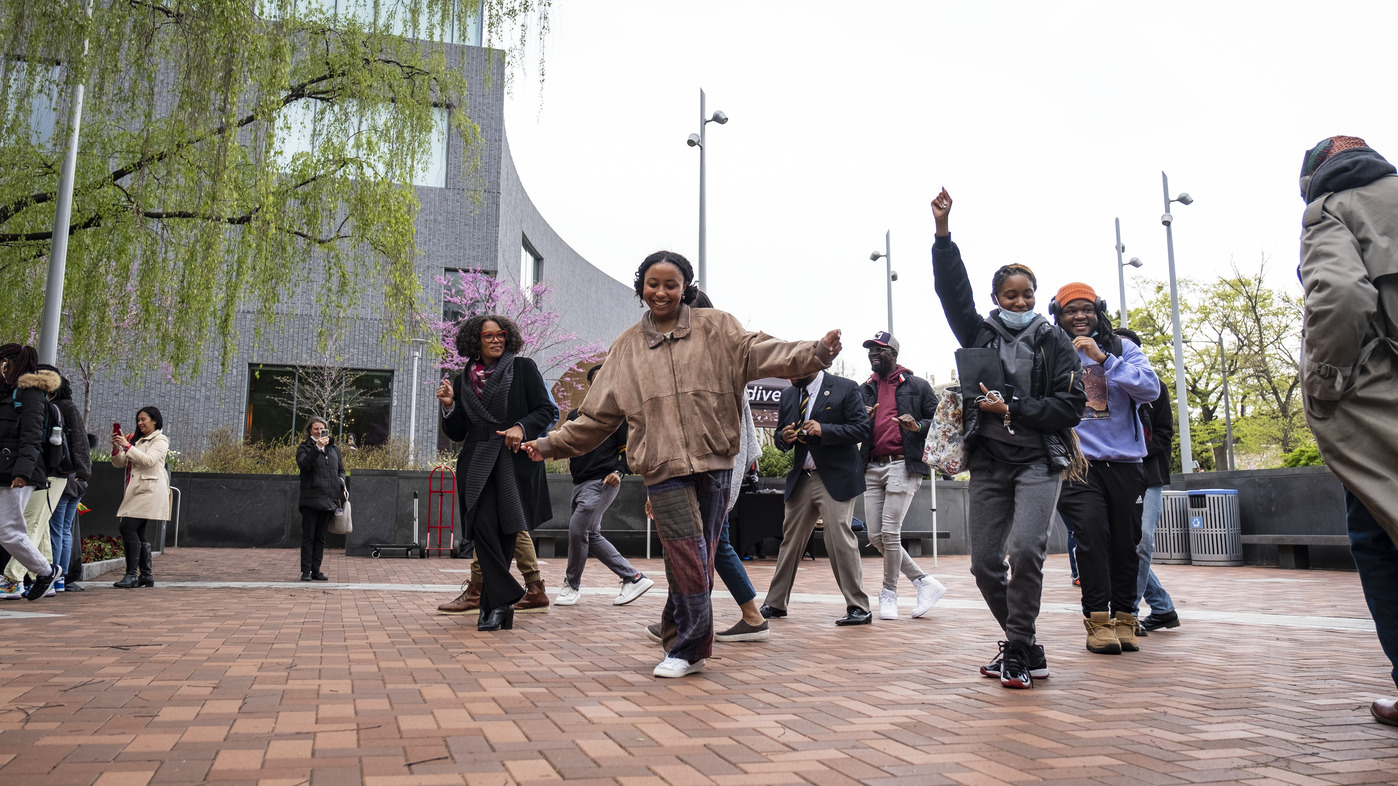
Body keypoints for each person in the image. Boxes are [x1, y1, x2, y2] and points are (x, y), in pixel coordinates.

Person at [523, 250, 840, 678]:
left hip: (715, 461)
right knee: (690, 554)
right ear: (641, 288)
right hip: (661, 465)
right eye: (653, 284)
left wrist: (815, 352)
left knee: (697, 556)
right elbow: (596, 418)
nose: (661, 292)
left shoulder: (718, 328)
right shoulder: (626, 348)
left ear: (684, 288)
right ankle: (690, 650)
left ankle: (677, 631)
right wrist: (548, 446)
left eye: (671, 284)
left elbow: (765, 353)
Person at [930, 188, 1087, 688]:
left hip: (1039, 461)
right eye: (1009, 295)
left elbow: (1072, 406)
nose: (1019, 302)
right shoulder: (979, 334)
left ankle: (1017, 650)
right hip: (990, 463)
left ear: (1035, 298)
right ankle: (1025, 644)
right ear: (997, 298)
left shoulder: (1054, 339)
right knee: (982, 565)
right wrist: (942, 235)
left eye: (1026, 295)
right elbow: (952, 292)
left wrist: (1014, 406)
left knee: (1024, 551)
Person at [1296, 135, 1398, 726]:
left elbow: (1339, 295)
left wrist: (1328, 379)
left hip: (1381, 405)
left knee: (1378, 537)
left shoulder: (1331, 208)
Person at [1050, 283, 1159, 655]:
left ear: (1098, 311)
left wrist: (1104, 360)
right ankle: (1097, 622)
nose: (1079, 316)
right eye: (1070, 311)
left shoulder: (1121, 349)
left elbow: (1151, 390)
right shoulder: (1050, 350)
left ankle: (1126, 617)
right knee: (1092, 539)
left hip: (1125, 463)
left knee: (1126, 545)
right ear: (1058, 316)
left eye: (1086, 309)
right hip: (1078, 466)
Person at [435, 314, 557, 632]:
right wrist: (449, 407)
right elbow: (459, 431)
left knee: (503, 535)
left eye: (501, 334)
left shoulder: (523, 368)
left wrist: (520, 426)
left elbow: (548, 410)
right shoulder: (462, 380)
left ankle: (495, 607)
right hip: (476, 461)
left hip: (513, 460)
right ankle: (506, 598)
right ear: (475, 341)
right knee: (485, 528)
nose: (495, 339)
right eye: (488, 336)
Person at [760, 367, 873, 626]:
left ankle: (858, 607)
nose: (789, 375)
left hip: (835, 477)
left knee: (839, 540)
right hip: (802, 477)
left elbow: (861, 430)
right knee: (790, 541)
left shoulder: (845, 387)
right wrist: (784, 438)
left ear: (813, 365)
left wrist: (825, 429)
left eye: (795, 368)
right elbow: (779, 437)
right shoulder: (789, 394)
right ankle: (776, 603)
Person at [857, 331, 947, 621]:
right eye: (870, 349)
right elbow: (853, 427)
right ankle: (924, 581)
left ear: (893, 354)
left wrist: (917, 427)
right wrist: (863, 421)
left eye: (879, 350)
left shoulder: (917, 385)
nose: (873, 354)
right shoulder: (865, 389)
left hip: (903, 464)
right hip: (871, 466)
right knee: (875, 535)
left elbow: (939, 422)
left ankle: (889, 594)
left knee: (890, 532)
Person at [555, 363, 654, 607]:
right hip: (579, 482)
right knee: (590, 533)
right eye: (597, 380)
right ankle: (634, 577)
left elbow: (629, 451)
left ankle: (571, 585)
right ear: (590, 384)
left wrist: (619, 472)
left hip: (603, 481)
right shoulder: (575, 416)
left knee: (578, 530)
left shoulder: (619, 417)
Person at [1113, 327, 1180, 634]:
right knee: (1126, 545)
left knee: (1143, 542)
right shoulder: (1104, 385)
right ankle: (1163, 608)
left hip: (1148, 475)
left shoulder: (1156, 389)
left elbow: (1165, 434)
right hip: (1114, 474)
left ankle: (1128, 612)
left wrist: (1134, 449)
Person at [0, 344, 62, 601]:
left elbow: (32, 437)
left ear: (10, 363)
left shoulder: (32, 394)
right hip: (4, 469)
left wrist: (23, 473)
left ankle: (46, 572)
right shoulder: (6, 391)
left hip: (17, 473)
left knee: (8, 531)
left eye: (3, 362)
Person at [111, 406, 170, 589]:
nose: (140, 423)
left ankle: (131, 575)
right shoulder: (138, 441)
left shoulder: (160, 439)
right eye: (138, 419)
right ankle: (145, 575)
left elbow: (148, 461)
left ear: (155, 421)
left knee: (127, 527)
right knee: (138, 531)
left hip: (148, 490)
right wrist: (116, 447)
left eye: (144, 419)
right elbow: (120, 463)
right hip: (137, 490)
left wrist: (127, 445)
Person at [46, 372, 91, 593]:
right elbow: (82, 441)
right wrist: (84, 471)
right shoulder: (70, 407)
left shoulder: (58, 408)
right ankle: (62, 577)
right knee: (64, 529)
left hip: (64, 477)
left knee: (56, 529)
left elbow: (77, 442)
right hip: (77, 480)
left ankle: (55, 574)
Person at [295, 417, 345, 582]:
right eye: (315, 429)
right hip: (311, 499)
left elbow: (341, 469)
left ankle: (316, 570)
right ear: (310, 430)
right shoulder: (305, 448)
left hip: (329, 499)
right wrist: (317, 448)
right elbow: (304, 466)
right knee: (308, 536)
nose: (319, 432)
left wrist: (340, 482)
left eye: (321, 429)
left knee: (321, 537)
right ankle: (306, 571)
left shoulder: (334, 449)